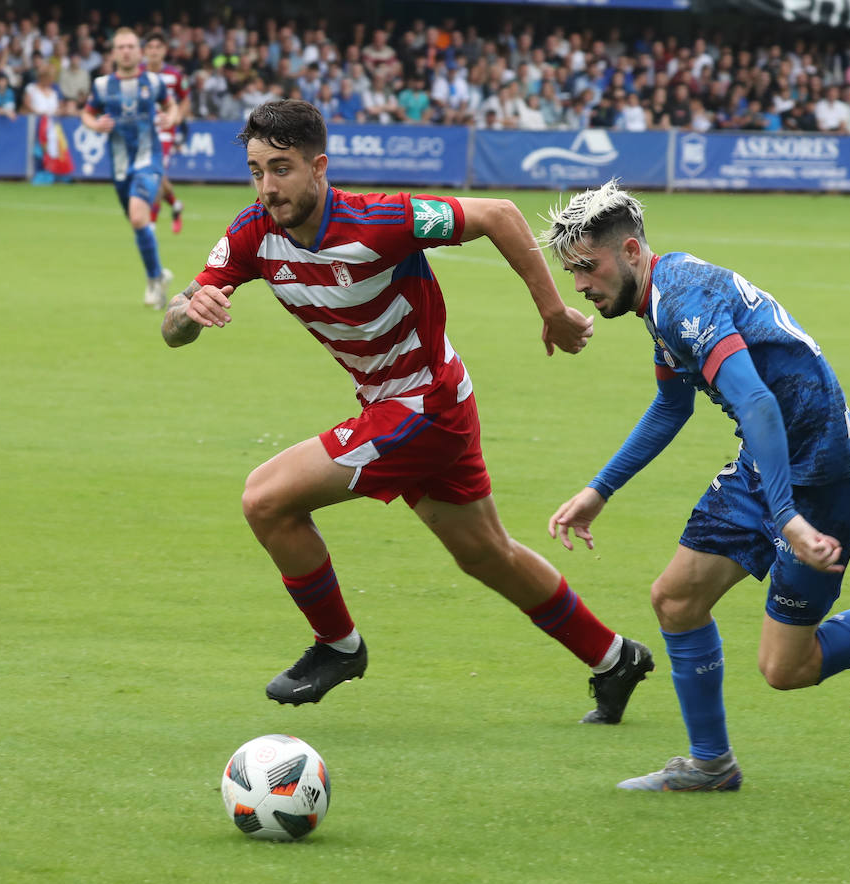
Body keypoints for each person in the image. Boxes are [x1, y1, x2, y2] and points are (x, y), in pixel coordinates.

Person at [159, 100, 653, 724]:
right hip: (420, 405)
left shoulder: (381, 220)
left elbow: (499, 215)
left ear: (319, 167)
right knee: (486, 554)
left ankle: (339, 647)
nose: (267, 187)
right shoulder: (251, 235)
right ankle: (614, 658)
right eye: (256, 170)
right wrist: (188, 314)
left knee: (265, 498)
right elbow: (175, 323)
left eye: (281, 169)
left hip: (423, 409)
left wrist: (552, 311)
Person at [543, 181, 850, 791]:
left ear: (629, 251)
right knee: (676, 600)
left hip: (823, 476)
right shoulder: (661, 298)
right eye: (571, 272)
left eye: (586, 267)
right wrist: (600, 490)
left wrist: (786, 516)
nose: (579, 284)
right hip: (767, 461)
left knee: (788, 667)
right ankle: (710, 764)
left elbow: (756, 400)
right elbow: (670, 407)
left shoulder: (681, 300)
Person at [81, 27, 179, 309]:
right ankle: (157, 275)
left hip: (149, 161)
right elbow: (87, 113)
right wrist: (95, 124)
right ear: (113, 53)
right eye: (120, 46)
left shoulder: (153, 81)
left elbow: (171, 106)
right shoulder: (101, 86)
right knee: (138, 224)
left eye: (130, 46)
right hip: (120, 166)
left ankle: (154, 278)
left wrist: (168, 119)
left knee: (138, 217)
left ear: (139, 51)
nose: (126, 51)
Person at [144, 31, 188, 235]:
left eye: (158, 47)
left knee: (156, 173)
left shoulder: (174, 75)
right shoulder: (138, 73)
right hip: (142, 130)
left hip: (164, 131)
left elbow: (185, 98)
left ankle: (151, 222)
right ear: (145, 51)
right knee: (155, 175)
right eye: (150, 47)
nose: (154, 51)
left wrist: (177, 117)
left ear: (164, 51)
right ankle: (175, 204)